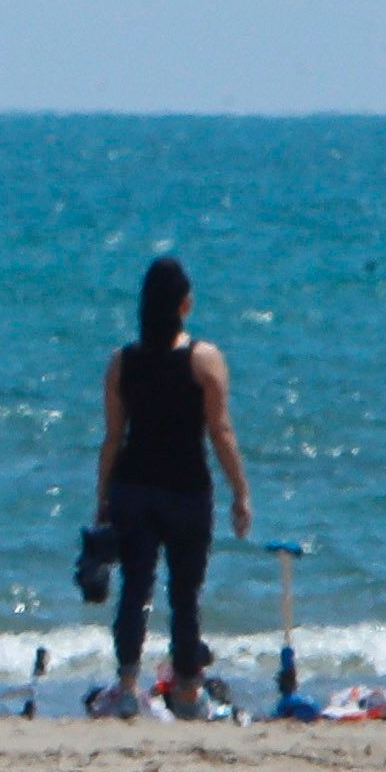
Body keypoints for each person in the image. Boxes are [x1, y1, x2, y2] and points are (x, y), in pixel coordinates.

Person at [86, 256, 253, 719]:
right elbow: (220, 431)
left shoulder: (122, 362)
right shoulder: (203, 359)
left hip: (133, 487)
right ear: (185, 304)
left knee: (134, 589)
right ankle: (187, 693)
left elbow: (113, 436)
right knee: (185, 594)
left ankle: (126, 687)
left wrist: (102, 495)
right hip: (186, 489)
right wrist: (240, 491)